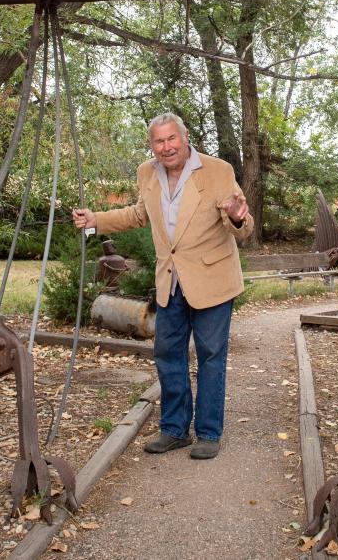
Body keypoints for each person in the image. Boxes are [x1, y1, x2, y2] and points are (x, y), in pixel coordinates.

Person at [72, 113, 251, 460]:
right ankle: (174, 429)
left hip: (212, 279)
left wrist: (237, 216)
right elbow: (140, 214)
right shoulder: (147, 172)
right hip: (170, 280)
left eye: (172, 139)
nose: (166, 147)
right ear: (151, 145)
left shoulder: (218, 170)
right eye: (159, 141)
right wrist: (97, 220)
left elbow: (242, 227)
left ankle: (209, 433)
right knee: (167, 354)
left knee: (211, 356)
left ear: (185, 138)